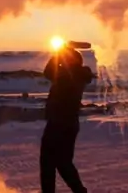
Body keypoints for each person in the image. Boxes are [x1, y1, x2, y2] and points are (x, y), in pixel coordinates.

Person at [40, 45, 93, 193]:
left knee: (49, 163)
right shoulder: (78, 74)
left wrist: (59, 53)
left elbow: (48, 72)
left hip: (59, 123)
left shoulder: (69, 75)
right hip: (67, 123)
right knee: (62, 162)